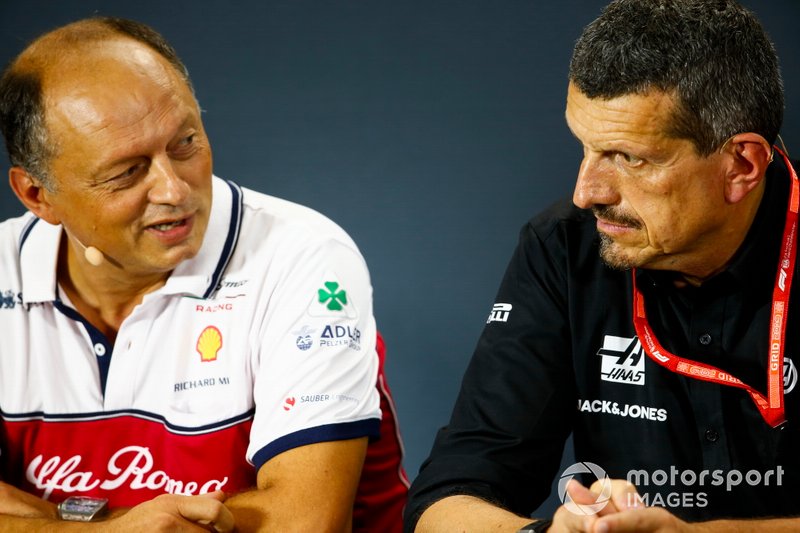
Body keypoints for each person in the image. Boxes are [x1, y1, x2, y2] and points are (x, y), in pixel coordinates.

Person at [0, 16, 408, 532]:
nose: (174, 189)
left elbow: (305, 522)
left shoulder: (301, 254)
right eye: (126, 172)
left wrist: (49, 521)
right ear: (38, 195)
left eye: (185, 143)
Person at [405, 1, 800, 531]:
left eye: (629, 157)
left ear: (740, 165)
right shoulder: (564, 247)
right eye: (585, 148)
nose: (586, 192)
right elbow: (443, 500)